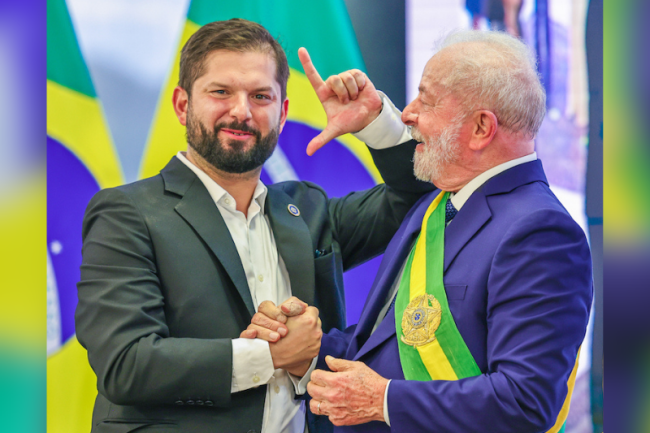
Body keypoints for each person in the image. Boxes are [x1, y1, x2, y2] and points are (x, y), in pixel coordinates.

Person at [75, 19, 432, 433]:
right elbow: (126, 364)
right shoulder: (126, 213)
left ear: (282, 114)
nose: (242, 111)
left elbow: (416, 197)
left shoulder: (309, 210)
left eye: (260, 96)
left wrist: (377, 123)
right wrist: (274, 355)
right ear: (182, 105)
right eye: (220, 92)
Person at [245, 30, 593, 432]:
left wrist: (382, 400)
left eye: (426, 101)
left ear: (481, 127)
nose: (407, 113)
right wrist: (303, 349)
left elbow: (525, 403)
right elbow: (381, 349)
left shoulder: (541, 233)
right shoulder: (437, 204)